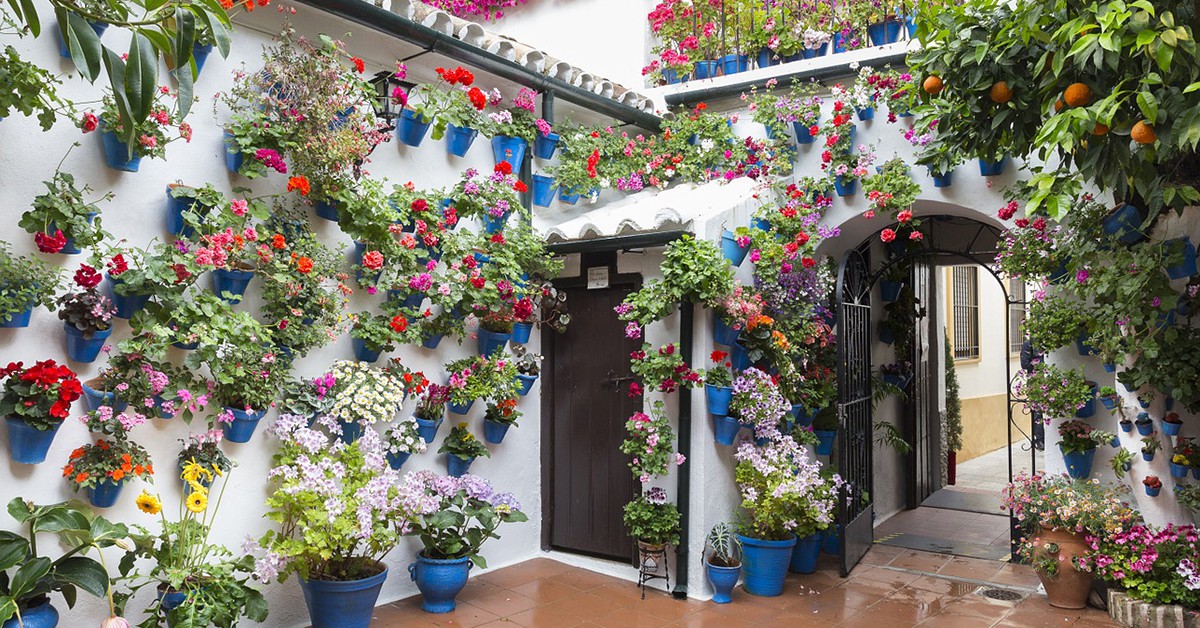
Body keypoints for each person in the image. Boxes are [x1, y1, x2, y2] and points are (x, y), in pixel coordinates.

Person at [1020, 336, 1045, 451]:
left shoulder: (1049, 343)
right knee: (1037, 412)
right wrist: (1037, 362)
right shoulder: (1028, 345)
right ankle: (1040, 439)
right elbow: (1024, 364)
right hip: (1035, 381)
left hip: (1049, 380)